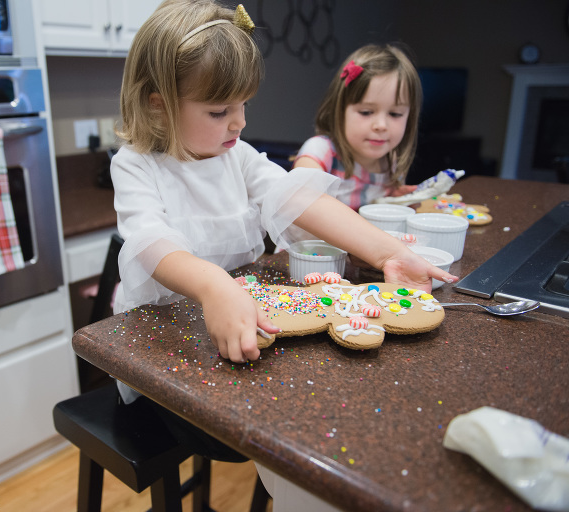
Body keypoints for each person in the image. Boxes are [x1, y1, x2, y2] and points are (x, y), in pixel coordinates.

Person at [112, 0, 454, 388]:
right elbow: (154, 246)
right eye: (219, 111)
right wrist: (214, 287)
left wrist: (389, 252)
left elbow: (302, 200)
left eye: (244, 105)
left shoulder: (237, 157)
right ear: (160, 107)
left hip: (241, 315)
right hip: (163, 335)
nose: (240, 121)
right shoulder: (135, 165)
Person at [294, 44, 421, 210]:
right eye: (367, 112)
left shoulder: (391, 163)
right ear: (340, 110)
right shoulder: (320, 151)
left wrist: (395, 204)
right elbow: (303, 206)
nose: (381, 126)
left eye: (395, 114)